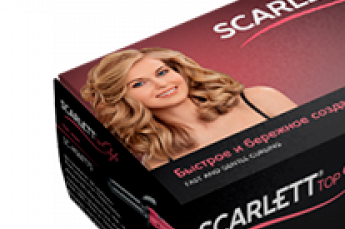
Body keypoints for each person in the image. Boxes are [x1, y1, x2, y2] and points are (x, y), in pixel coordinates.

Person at [82, 47, 296, 169]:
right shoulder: (158, 162)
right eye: (139, 84)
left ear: (179, 71)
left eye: (162, 72)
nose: (162, 84)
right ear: (123, 99)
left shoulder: (260, 99)